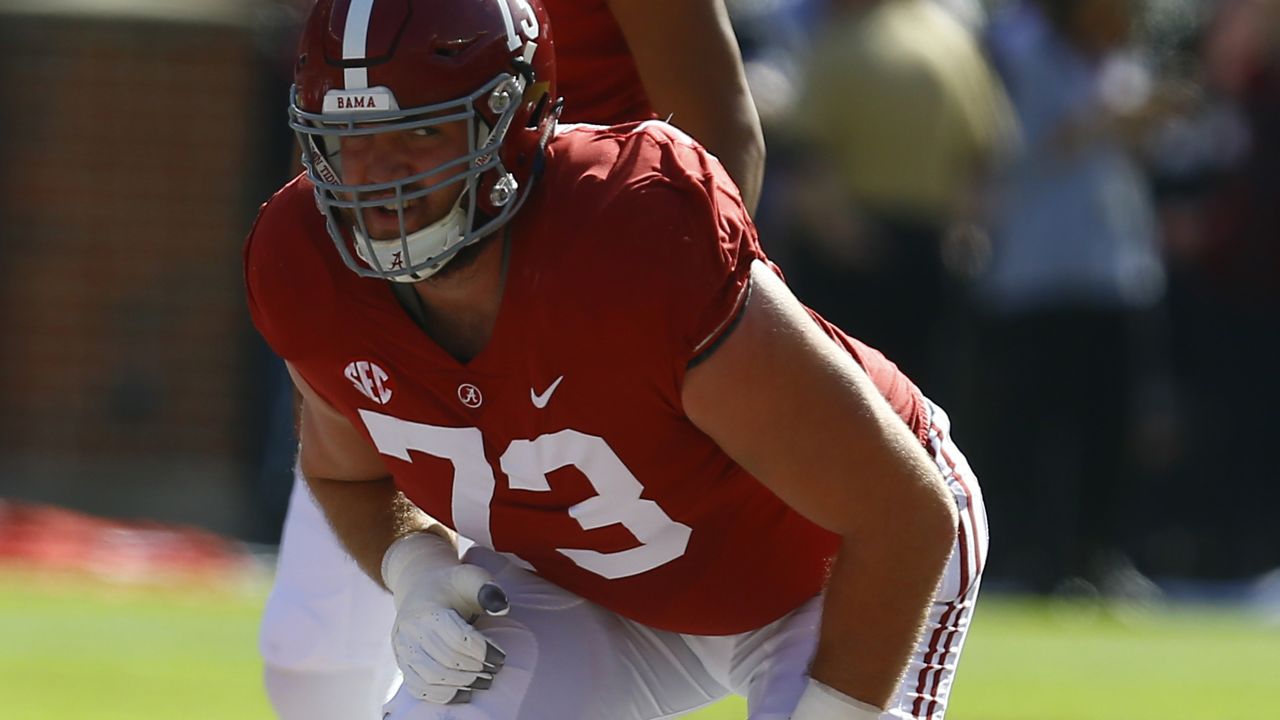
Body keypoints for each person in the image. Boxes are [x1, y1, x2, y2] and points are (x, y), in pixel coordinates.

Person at [246, 1, 987, 719]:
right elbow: (348, 475)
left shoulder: (633, 237)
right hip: (586, 587)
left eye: (419, 133)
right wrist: (417, 569)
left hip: (823, 576)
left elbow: (904, 517)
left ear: (511, 120)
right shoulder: (304, 258)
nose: (380, 178)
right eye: (352, 135)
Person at [257, 2, 766, 718]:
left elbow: (723, 133)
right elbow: (328, 130)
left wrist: (661, 334)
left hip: (576, 307)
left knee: (519, 659)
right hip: (406, 310)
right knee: (309, 650)